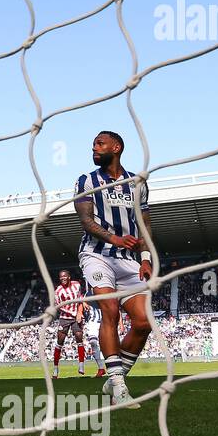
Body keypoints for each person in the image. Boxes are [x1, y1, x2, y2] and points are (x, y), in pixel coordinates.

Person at [74, 131, 155, 409]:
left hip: (128, 259)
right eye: (93, 143)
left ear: (116, 147)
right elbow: (86, 220)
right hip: (96, 255)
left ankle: (114, 377)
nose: (94, 148)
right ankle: (119, 387)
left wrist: (145, 258)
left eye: (99, 144)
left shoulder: (137, 183)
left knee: (144, 322)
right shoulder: (86, 181)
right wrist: (114, 238)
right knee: (109, 311)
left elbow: (144, 224)